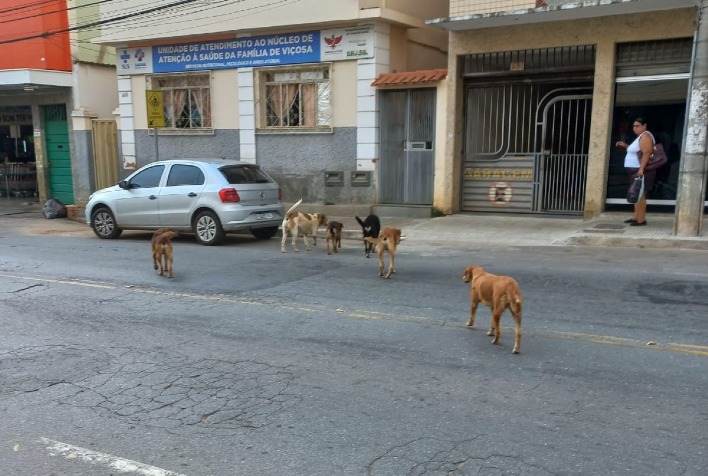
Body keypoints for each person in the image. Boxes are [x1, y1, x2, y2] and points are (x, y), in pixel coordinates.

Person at [614, 117, 655, 226]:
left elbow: (646, 153)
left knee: (640, 194)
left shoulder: (645, 136)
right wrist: (625, 146)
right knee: (636, 193)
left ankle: (641, 219)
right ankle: (636, 217)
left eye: (637, 126)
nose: (634, 128)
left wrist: (641, 169)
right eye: (633, 126)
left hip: (638, 170)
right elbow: (636, 151)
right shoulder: (640, 137)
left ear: (644, 125)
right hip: (633, 170)